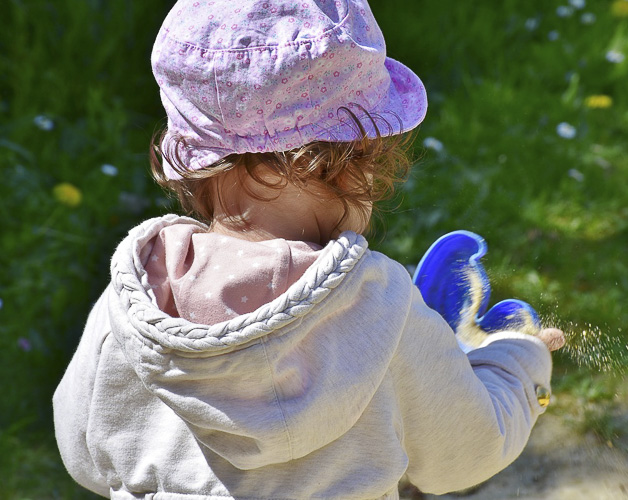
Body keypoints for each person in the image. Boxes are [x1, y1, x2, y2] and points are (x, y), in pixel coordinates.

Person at [53, 1, 565, 498]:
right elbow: (466, 451)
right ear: (358, 160)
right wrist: (517, 363)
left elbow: (82, 452)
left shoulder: (136, 295)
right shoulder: (379, 311)